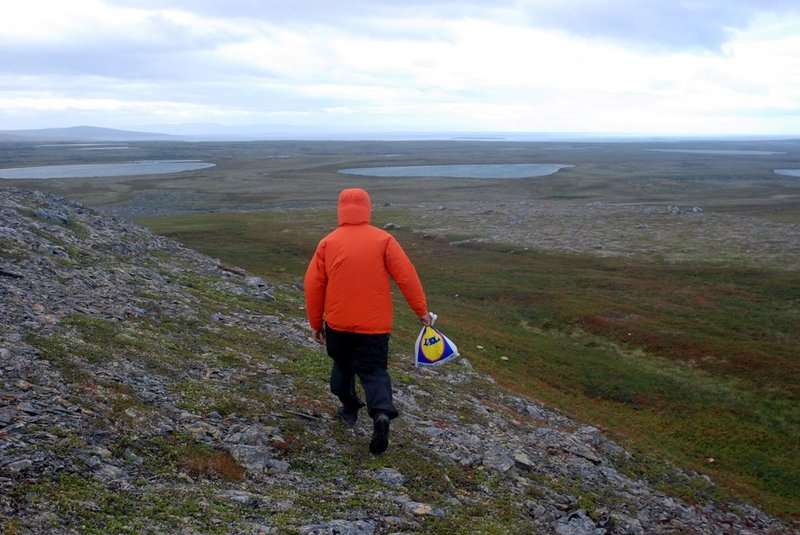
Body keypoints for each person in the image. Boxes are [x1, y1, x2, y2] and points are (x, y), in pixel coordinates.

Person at [304, 188, 432, 455]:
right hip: (374, 327)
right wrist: (421, 311)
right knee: (374, 372)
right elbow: (406, 277)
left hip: (338, 325)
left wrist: (316, 323)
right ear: (367, 208)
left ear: (340, 208)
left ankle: (349, 407)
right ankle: (381, 414)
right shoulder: (383, 240)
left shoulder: (328, 242)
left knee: (342, 366)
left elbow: (314, 286)